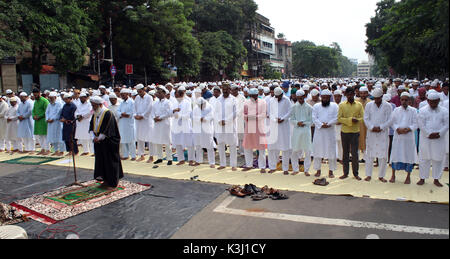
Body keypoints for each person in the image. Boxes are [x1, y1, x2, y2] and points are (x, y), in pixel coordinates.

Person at [89, 96, 123, 189]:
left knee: (110, 162)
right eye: (92, 105)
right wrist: (93, 137)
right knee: (101, 161)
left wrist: (99, 138)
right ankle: (105, 180)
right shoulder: (95, 113)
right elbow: (91, 126)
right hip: (99, 142)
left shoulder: (108, 113)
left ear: (100, 105)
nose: (93, 107)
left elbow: (108, 128)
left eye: (94, 105)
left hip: (109, 142)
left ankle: (113, 183)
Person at [417, 92, 449, 187]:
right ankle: (422, 178)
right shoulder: (422, 110)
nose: (433, 104)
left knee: (438, 158)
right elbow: (420, 124)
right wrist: (428, 134)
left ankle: (436, 179)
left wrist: (439, 133)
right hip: (425, 138)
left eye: (435, 102)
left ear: (438, 101)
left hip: (439, 138)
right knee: (424, 158)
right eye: (431, 102)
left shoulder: (444, 111)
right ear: (428, 101)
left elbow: (447, 124)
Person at [363, 88, 392, 182]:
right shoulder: (369, 105)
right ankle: (368, 175)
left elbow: (390, 120)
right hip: (371, 133)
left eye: (378, 98)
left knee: (383, 155)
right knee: (369, 154)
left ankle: (381, 176)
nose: (376, 100)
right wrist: (371, 127)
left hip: (382, 133)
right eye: (374, 98)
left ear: (382, 97)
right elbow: (366, 118)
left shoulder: (388, 106)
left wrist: (381, 127)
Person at [389, 92, 418, 184]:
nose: (404, 101)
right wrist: (397, 129)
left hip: (409, 137)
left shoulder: (413, 110)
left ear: (409, 101)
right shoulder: (396, 110)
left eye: (406, 100)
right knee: (396, 155)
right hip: (398, 137)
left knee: (409, 156)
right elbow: (392, 122)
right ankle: (393, 175)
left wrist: (409, 129)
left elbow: (416, 123)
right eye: (402, 99)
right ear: (400, 100)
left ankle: (408, 176)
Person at [338, 87, 364, 180]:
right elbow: (339, 118)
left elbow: (363, 117)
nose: (350, 96)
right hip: (345, 131)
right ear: (345, 95)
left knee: (355, 154)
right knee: (345, 153)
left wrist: (357, 120)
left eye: (351, 94)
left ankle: (355, 173)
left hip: (355, 132)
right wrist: (349, 120)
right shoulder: (342, 105)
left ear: (354, 94)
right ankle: (345, 173)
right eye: (348, 94)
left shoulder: (359, 105)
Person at [312, 89, 339, 178]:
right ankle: (318, 170)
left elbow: (337, 117)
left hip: (330, 132)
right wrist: (321, 124)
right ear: (321, 97)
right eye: (323, 97)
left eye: (327, 98)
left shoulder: (335, 106)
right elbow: (314, 117)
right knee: (317, 151)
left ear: (330, 98)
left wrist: (329, 123)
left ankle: (331, 171)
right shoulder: (316, 106)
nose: (325, 99)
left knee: (331, 151)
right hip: (319, 132)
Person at [242, 88, 268, 173]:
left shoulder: (263, 102)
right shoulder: (246, 102)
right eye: (251, 96)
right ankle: (249, 165)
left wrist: (254, 117)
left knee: (261, 148)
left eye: (254, 96)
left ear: (257, 95)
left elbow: (264, 114)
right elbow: (243, 114)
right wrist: (249, 117)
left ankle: (262, 167)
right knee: (247, 147)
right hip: (249, 127)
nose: (252, 97)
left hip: (259, 127)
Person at [213, 84, 238, 171]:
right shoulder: (218, 99)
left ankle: (233, 165)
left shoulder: (233, 99)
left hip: (230, 125)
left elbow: (235, 112)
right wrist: (219, 120)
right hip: (220, 125)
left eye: (227, 89)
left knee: (232, 145)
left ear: (230, 90)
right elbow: (215, 112)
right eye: (223, 89)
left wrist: (226, 121)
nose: (225, 91)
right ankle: (222, 164)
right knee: (220, 144)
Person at [267, 87, 292, 175]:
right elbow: (269, 112)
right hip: (273, 125)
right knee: (271, 148)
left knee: (285, 148)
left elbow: (290, 112)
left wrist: (283, 119)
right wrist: (274, 119)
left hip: (284, 126)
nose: (277, 98)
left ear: (282, 94)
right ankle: (272, 167)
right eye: (276, 96)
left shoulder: (287, 100)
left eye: (279, 96)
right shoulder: (271, 100)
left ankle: (285, 168)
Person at [290, 89, 313, 176]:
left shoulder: (310, 108)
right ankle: (295, 169)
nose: (300, 100)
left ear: (304, 97)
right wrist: (297, 123)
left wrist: (304, 123)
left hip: (306, 130)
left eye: (301, 98)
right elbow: (291, 119)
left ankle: (306, 170)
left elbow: (312, 120)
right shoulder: (293, 107)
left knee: (307, 151)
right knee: (295, 150)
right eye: (298, 98)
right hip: (296, 130)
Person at [171, 87, 195, 166]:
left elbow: (188, 114)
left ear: (181, 95)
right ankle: (181, 159)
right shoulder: (174, 102)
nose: (176, 96)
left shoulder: (187, 102)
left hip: (185, 124)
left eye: (177, 95)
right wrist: (174, 111)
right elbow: (171, 113)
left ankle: (191, 159)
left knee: (189, 143)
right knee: (178, 142)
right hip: (176, 125)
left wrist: (180, 116)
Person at [151, 87, 173, 165]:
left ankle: (169, 158)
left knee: (167, 141)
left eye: (160, 93)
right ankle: (159, 157)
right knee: (158, 141)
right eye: (158, 93)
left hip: (165, 123)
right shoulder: (155, 103)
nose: (158, 94)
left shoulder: (168, 102)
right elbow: (152, 112)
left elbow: (169, 113)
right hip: (157, 123)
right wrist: (154, 117)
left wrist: (160, 117)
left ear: (164, 93)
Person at [192, 97, 216, 168]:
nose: (201, 106)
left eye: (202, 105)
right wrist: (199, 119)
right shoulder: (196, 108)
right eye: (200, 105)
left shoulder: (209, 107)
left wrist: (205, 119)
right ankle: (198, 161)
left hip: (207, 129)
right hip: (198, 129)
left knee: (209, 146)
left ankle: (212, 162)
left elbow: (212, 116)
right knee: (198, 145)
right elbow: (193, 117)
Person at [133, 84, 154, 163]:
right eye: (138, 92)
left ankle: (151, 156)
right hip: (138, 120)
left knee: (150, 138)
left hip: (147, 120)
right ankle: (141, 155)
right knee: (139, 137)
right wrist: (135, 115)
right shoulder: (137, 98)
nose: (139, 93)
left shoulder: (149, 97)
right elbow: (134, 108)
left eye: (140, 91)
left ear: (144, 90)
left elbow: (149, 108)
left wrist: (142, 116)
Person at [117, 88, 136, 160]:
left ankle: (133, 155)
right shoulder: (121, 103)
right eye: (121, 95)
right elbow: (117, 111)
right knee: (123, 140)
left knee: (131, 140)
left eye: (123, 95)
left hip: (129, 123)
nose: (122, 96)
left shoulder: (132, 102)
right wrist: (122, 114)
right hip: (122, 123)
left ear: (127, 94)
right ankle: (125, 155)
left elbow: (131, 113)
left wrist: (124, 114)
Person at [45, 92, 64, 156]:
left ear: (55, 97)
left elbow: (58, 113)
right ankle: (56, 150)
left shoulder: (59, 104)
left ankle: (61, 151)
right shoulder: (49, 105)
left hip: (57, 122)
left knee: (59, 137)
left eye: (51, 98)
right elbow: (46, 112)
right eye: (49, 98)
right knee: (52, 137)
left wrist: (52, 119)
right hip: (50, 123)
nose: (50, 99)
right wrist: (47, 119)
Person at [356, 87, 369, 162]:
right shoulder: (356, 102)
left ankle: (365, 158)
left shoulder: (370, 102)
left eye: (364, 93)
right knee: (357, 141)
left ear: (367, 93)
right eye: (361, 93)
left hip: (367, 125)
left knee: (367, 140)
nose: (363, 95)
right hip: (358, 124)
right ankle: (356, 158)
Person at [333, 90, 344, 162]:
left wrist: (341, 121)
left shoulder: (343, 105)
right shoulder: (331, 105)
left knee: (341, 142)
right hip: (333, 126)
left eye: (338, 96)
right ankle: (334, 157)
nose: (337, 98)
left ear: (341, 97)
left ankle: (341, 158)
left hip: (341, 126)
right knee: (333, 142)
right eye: (335, 96)